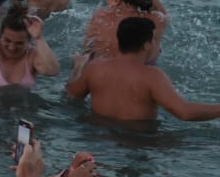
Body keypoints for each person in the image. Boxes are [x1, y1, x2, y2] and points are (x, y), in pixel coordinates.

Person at [65, 17, 220, 122]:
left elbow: (72, 94)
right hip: (139, 141)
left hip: (97, 135)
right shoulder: (152, 76)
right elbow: (185, 112)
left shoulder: (95, 67)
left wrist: (79, 66)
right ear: (146, 45)